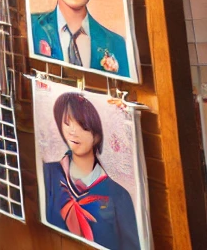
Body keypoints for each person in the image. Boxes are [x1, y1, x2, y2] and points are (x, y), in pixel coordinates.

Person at [42, 92, 140, 250]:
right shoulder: (49, 174)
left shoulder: (118, 195)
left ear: (97, 135)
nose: (73, 131)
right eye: (67, 122)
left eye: (82, 125)